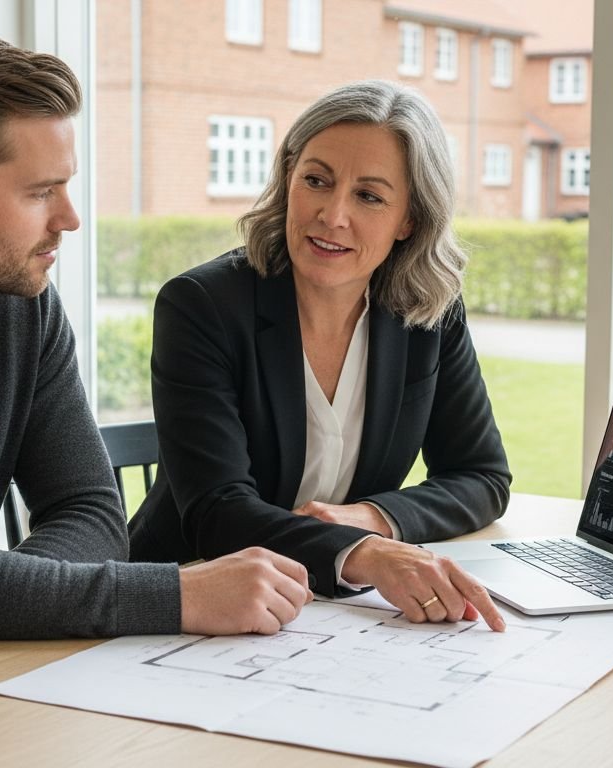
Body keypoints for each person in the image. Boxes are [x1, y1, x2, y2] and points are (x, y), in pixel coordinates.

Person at [0, 32, 311, 640]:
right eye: (41, 192)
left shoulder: (26, 306)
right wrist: (172, 595)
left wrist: (13, 595)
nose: (70, 218)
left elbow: (91, 510)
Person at [127, 80, 512, 630]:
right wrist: (363, 553)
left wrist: (375, 518)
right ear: (289, 180)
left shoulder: (427, 314)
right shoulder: (203, 306)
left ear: (410, 219)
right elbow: (218, 512)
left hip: (328, 617)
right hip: (191, 603)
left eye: (369, 196)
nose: (333, 215)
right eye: (316, 180)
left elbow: (481, 475)